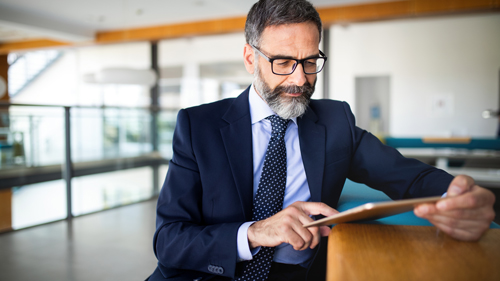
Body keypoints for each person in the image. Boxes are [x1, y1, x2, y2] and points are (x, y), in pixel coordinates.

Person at [148, 0, 496, 280]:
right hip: (206, 272)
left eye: (310, 61)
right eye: (283, 62)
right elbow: (169, 241)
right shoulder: (199, 126)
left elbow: (408, 176)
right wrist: (254, 232)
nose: (299, 78)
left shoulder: (335, 121)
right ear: (250, 58)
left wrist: (460, 196)